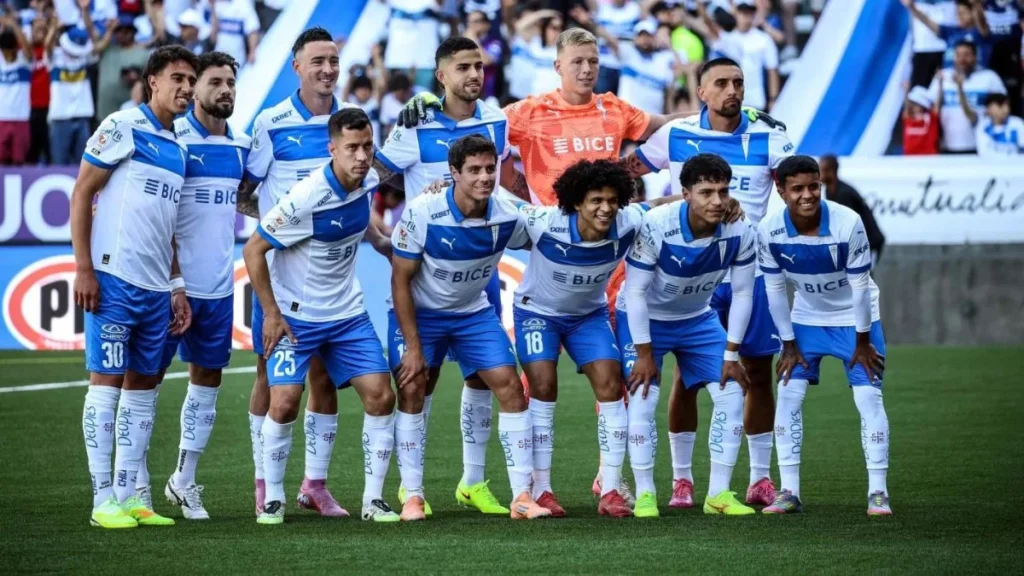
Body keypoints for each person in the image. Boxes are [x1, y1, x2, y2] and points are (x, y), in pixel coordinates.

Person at [621, 57, 794, 510]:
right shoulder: (674, 133)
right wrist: (658, 206)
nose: (731, 90)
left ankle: (759, 477)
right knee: (688, 378)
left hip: (744, 269)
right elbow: (625, 173)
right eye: (721, 83)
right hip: (688, 272)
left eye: (738, 81)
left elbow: (796, 187)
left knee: (753, 373)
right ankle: (682, 481)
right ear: (701, 91)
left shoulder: (770, 133)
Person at [376, 36, 520, 517]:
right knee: (420, 381)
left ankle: (473, 482)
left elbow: (510, 184)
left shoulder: (497, 119)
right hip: (426, 279)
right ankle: (409, 488)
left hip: (478, 281)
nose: (474, 75)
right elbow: (368, 178)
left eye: (479, 66)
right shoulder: (414, 125)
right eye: (463, 67)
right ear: (442, 75)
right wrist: (378, 238)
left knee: (485, 381)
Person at [242, 107, 398, 525]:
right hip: (297, 316)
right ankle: (273, 496)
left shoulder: (366, 181)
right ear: (332, 149)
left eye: (367, 146)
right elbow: (253, 249)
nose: (363, 156)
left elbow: (357, 218)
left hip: (347, 314)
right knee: (286, 400)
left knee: (382, 397)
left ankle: (372, 500)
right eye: (352, 148)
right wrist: (272, 314)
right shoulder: (305, 197)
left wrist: (381, 241)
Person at [389, 134, 550, 521]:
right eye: (473, 170)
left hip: (472, 313)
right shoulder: (423, 211)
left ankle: (522, 496)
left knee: (510, 387)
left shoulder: (508, 211)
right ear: (454, 173)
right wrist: (413, 346)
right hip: (421, 313)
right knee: (413, 387)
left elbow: (550, 227)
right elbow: (399, 279)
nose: (483, 178)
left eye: (489, 169)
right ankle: (412, 494)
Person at [71, 45, 199, 529]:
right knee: (105, 386)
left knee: (144, 389)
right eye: (178, 78)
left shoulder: (179, 146)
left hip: (155, 289)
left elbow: (166, 226)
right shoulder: (122, 125)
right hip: (113, 278)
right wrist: (84, 267)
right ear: (153, 82)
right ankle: (102, 499)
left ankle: (130, 497)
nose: (186, 88)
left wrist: (176, 285)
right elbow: (83, 191)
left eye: (191, 79)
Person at [511, 159, 682, 518]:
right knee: (542, 386)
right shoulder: (545, 224)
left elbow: (655, 206)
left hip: (587, 317)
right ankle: (541, 490)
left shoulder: (627, 221)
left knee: (610, 386)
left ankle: (610, 489)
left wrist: (690, 198)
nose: (605, 208)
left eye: (612, 200)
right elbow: (499, 211)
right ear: (576, 202)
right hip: (537, 314)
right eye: (596, 201)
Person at [238, 26, 353, 520]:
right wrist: (277, 226)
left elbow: (363, 180)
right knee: (271, 374)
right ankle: (264, 481)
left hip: (331, 279)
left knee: (324, 377)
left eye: (333, 60)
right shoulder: (271, 122)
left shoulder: (350, 121)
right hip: (280, 277)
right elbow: (244, 191)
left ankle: (315, 485)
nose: (328, 69)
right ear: (297, 67)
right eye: (318, 61)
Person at [132, 52, 250, 521]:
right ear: (193, 89)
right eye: (215, 82)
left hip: (218, 290)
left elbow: (250, 201)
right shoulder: (171, 140)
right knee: (144, 383)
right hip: (165, 287)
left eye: (230, 83)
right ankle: (136, 483)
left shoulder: (241, 147)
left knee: (207, 384)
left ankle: (183, 480)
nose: (225, 91)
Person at [618, 153, 758, 518]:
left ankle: (719, 495)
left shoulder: (741, 229)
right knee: (643, 398)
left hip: (698, 319)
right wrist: (645, 353)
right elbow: (633, 293)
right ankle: (647, 493)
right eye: (706, 192)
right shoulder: (657, 224)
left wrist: (731, 354)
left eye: (723, 192)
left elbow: (743, 294)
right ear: (685, 194)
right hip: (645, 320)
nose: (717, 201)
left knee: (731, 394)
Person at [757, 155, 892, 517]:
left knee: (869, 400)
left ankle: (878, 492)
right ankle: (788, 492)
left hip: (856, 319)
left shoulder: (848, 222)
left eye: (813, 186)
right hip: (806, 318)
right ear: (781, 190)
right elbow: (774, 291)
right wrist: (787, 344)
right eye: (797, 188)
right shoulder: (769, 230)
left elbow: (860, 287)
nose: (807, 195)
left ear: (822, 184)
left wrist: (863, 341)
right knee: (787, 395)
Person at [698, 0, 780, 111]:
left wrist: (773, 99)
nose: (745, 17)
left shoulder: (764, 39)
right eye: (742, 12)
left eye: (749, 12)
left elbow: (772, 70)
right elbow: (709, 26)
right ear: (735, 13)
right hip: (731, 102)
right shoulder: (729, 37)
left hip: (756, 102)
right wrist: (700, 6)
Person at [927, 40, 1006, 153]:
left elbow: (1003, 106)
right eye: (958, 55)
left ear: (975, 56)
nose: (962, 59)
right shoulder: (943, 76)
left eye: (967, 55)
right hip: (946, 145)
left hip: (980, 145)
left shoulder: (989, 77)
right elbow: (931, 109)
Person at [819, 155, 887, 265]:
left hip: (869, 242)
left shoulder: (844, 193)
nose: (818, 175)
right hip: (857, 244)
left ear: (831, 171)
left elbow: (849, 225)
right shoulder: (830, 191)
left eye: (821, 170)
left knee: (863, 278)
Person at [903, 0, 993, 68]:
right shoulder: (951, 31)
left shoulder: (980, 32)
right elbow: (928, 22)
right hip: (951, 78)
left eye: (963, 13)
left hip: (975, 75)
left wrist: (976, 5)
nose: (959, 16)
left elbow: (982, 21)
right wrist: (912, 8)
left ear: (972, 14)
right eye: (958, 13)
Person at [0, 9, 33, 165]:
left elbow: (27, 49)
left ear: (15, 48)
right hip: (1, 119)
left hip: (21, 119)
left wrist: (13, 25)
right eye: (4, 52)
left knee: (19, 162)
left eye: (10, 51)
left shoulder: (24, 62)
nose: (7, 55)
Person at [975, 91, 1024, 156]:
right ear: (989, 108)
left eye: (1007, 105)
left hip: (1014, 164)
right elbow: (983, 153)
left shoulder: (1017, 123)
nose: (1005, 109)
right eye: (1000, 106)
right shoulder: (983, 126)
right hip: (991, 165)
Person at [902, 85, 940, 155]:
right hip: (909, 156)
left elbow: (937, 105)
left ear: (922, 106)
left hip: (928, 156)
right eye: (912, 104)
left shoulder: (931, 118)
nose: (912, 106)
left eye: (915, 104)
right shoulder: (908, 118)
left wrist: (940, 84)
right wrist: (906, 92)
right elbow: (906, 108)